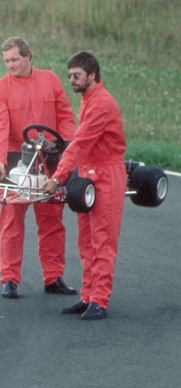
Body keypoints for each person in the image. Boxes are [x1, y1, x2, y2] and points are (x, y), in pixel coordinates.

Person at [0, 37, 78, 300]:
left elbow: (65, 117)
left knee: (52, 220)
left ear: (28, 56)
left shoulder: (50, 80)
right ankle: (9, 279)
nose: (10, 66)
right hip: (18, 160)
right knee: (11, 221)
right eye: (6, 61)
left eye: (14, 59)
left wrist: (68, 151)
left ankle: (53, 277)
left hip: (50, 157)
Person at [43, 51, 126, 321]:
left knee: (102, 240)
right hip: (88, 172)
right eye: (69, 76)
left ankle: (99, 300)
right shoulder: (87, 99)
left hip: (107, 171)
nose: (71, 80)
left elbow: (79, 143)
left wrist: (57, 177)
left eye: (76, 75)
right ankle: (87, 295)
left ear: (92, 75)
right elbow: (80, 147)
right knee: (86, 241)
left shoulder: (101, 103)